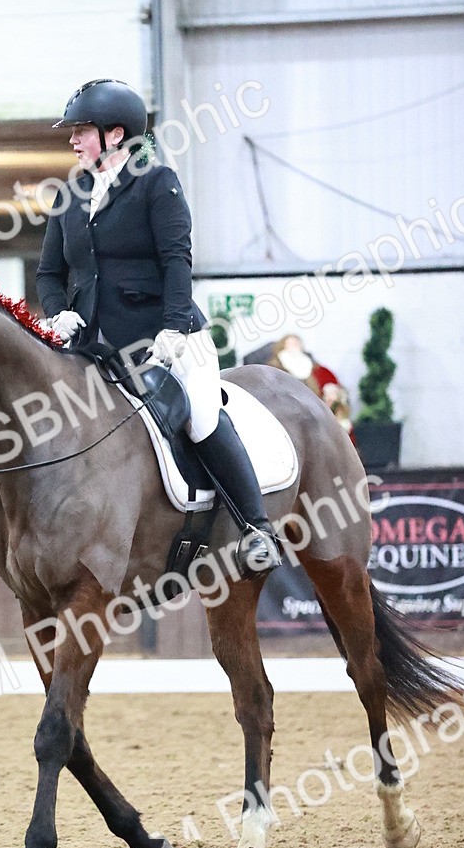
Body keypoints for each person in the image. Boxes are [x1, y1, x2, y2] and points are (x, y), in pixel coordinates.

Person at [36, 78, 281, 579]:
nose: (73, 141)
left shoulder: (156, 182)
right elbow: (48, 272)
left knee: (200, 417)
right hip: (93, 345)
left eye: (81, 131)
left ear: (114, 134)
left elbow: (176, 259)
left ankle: (257, 528)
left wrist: (172, 328)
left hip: (167, 339)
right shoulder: (69, 195)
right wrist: (58, 310)